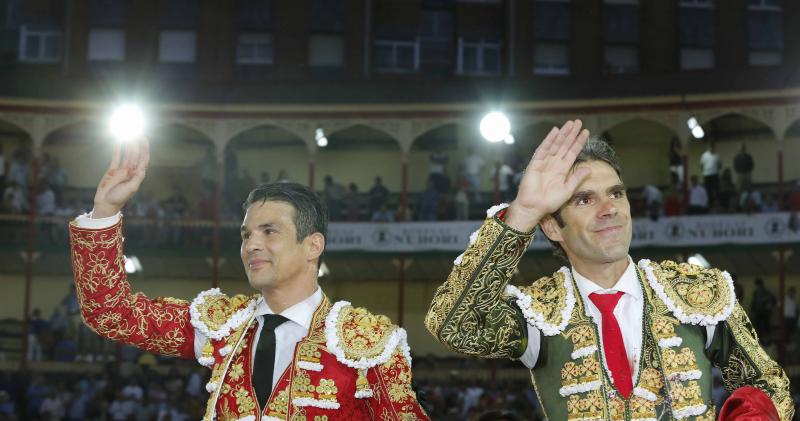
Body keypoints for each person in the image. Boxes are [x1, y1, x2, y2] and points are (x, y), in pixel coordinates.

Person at [425, 120, 791, 420]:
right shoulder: (539, 313)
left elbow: (767, 384)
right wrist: (524, 212)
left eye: (616, 193)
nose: (609, 208)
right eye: (585, 200)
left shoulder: (693, 293)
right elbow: (452, 324)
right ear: (552, 227)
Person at [69, 138, 429, 420]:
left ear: (312, 245)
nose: (252, 245)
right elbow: (111, 313)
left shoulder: (369, 344)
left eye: (269, 231)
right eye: (245, 235)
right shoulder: (221, 326)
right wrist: (105, 212)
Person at [700, 142, 721, 208]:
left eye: (713, 147)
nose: (712, 148)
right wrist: (704, 172)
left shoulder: (717, 155)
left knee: (716, 189)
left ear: (714, 148)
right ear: (709, 148)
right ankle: (709, 203)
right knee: (708, 190)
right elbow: (701, 165)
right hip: (707, 175)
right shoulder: (704, 155)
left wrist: (717, 169)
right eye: (711, 147)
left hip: (715, 174)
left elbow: (720, 165)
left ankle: (716, 203)